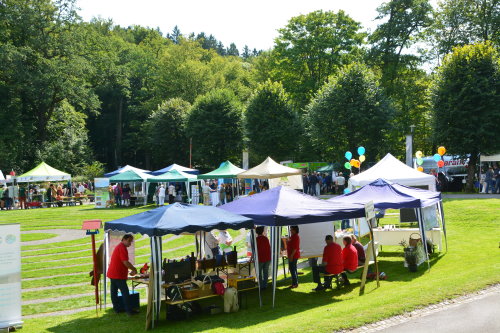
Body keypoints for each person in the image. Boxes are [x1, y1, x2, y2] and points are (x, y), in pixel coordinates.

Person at [107, 234, 138, 316]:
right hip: (117, 274)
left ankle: (117, 309)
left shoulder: (120, 247)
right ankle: (129, 311)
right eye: (129, 241)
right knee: (125, 293)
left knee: (114, 292)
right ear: (124, 239)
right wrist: (134, 269)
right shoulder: (122, 248)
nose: (130, 243)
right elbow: (125, 262)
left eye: (131, 241)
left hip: (113, 273)